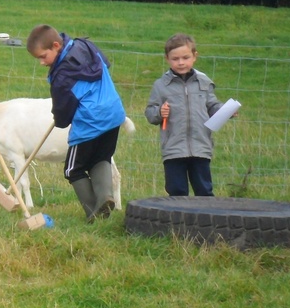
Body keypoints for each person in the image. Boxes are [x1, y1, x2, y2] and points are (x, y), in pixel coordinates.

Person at [26, 24, 127, 221]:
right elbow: (106, 64)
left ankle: (94, 213)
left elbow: (63, 116)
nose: (41, 62)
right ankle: (105, 197)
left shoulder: (61, 76)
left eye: (43, 56)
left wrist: (58, 118)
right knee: (101, 157)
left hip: (90, 122)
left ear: (56, 46)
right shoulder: (85, 45)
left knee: (73, 169)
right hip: (113, 113)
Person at [144, 33, 224, 196]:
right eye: (175, 59)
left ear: (194, 56)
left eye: (185, 57)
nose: (181, 62)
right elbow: (150, 113)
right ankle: (177, 214)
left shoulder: (204, 82)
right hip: (173, 148)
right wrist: (159, 112)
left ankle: (206, 213)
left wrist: (226, 111)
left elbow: (212, 106)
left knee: (204, 190)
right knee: (177, 191)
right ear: (167, 59)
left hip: (200, 147)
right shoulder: (161, 85)